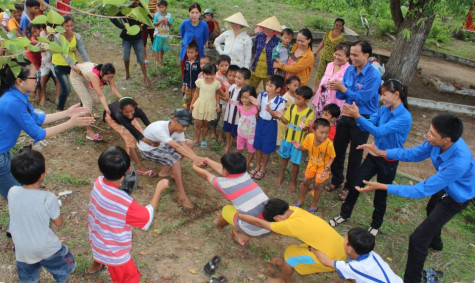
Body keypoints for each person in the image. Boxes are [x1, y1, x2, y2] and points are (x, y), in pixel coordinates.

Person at [355, 114, 474, 283]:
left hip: (457, 196)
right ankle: (437, 243)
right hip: (445, 185)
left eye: (432, 134)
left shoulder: (458, 162)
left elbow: (420, 190)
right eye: (429, 130)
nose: (428, 135)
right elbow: (414, 154)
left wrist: (383, 186)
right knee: (431, 209)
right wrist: (382, 152)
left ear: (446, 140)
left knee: (418, 240)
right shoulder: (437, 142)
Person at [0, 59, 93, 200]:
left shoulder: (18, 94)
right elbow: (38, 133)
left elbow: (36, 118)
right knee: (18, 198)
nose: (37, 79)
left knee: (18, 189)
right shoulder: (12, 101)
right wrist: (70, 123)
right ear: (20, 81)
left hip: (4, 151)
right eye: (34, 76)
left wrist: (66, 113)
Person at [329, 79, 412, 236]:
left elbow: (379, 131)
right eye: (381, 95)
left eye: (385, 95)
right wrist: (357, 117)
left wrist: (358, 117)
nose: (382, 99)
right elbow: (369, 123)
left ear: (396, 94)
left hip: (389, 161)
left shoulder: (404, 117)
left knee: (380, 194)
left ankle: (375, 225)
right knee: (355, 184)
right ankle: (344, 214)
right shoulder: (383, 109)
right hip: (373, 155)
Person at [87, 146, 170, 281]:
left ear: (99, 169)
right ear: (128, 170)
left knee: (99, 250)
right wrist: (159, 190)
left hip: (96, 237)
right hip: (114, 253)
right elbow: (146, 217)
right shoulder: (124, 202)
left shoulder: (98, 182)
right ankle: (101, 263)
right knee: (130, 279)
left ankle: (96, 264)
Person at [238, 198, 346, 283]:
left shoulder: (287, 224)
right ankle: (285, 265)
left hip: (330, 258)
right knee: (294, 250)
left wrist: (240, 216)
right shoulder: (294, 209)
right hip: (340, 247)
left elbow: (259, 223)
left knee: (290, 255)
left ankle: (283, 281)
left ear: (277, 218)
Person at [9, 149, 77, 282]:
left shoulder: (12, 192)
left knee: (28, 277)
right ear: (42, 175)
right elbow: (59, 223)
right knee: (62, 268)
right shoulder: (48, 198)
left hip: (22, 250)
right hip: (47, 248)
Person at [325, 41, 381, 201]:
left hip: (363, 118)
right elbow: (343, 96)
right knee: (337, 148)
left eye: (356, 55)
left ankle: (349, 186)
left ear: (366, 55)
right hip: (347, 114)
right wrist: (338, 88)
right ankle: (336, 179)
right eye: (352, 55)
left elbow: (363, 99)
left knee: (356, 155)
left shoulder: (374, 76)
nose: (353, 58)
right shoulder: (350, 70)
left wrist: (344, 89)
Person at [192, 152, 271, 246]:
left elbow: (206, 175)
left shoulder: (223, 184)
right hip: (270, 226)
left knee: (227, 210)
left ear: (226, 170)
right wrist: (207, 160)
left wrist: (194, 164)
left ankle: (218, 224)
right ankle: (243, 237)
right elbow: (223, 171)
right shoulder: (246, 175)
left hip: (253, 230)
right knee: (248, 210)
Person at [137, 109, 206, 208]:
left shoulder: (178, 128)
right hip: (148, 149)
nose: (185, 129)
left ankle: (165, 171)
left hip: (162, 145)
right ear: (175, 120)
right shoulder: (159, 128)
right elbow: (177, 147)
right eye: (183, 126)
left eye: (186, 126)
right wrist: (194, 159)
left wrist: (196, 157)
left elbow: (184, 146)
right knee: (175, 159)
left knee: (190, 142)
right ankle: (182, 195)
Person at [312, 227, 403, 283]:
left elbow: (326, 261)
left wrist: (312, 246)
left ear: (350, 249)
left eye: (345, 240)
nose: (343, 240)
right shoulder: (372, 254)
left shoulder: (354, 267)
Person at [292, 118, 335, 212]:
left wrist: (327, 168)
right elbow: (304, 147)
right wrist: (299, 147)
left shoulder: (329, 144)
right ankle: (300, 200)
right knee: (305, 181)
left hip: (322, 167)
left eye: (327, 132)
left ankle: (314, 205)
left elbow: (332, 157)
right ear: (314, 130)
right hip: (312, 163)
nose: (324, 135)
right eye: (321, 132)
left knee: (317, 185)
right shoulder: (309, 137)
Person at [275, 86, 314, 192]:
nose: (295, 100)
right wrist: (280, 116)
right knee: (284, 159)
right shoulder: (292, 107)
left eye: (298, 99)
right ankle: (281, 176)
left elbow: (308, 130)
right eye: (295, 97)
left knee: (295, 163)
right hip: (287, 139)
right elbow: (286, 121)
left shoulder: (309, 113)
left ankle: (293, 182)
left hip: (298, 143)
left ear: (306, 100)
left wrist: (306, 127)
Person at [104, 97, 156, 177]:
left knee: (142, 132)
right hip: (114, 119)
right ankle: (140, 166)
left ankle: (138, 153)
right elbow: (131, 129)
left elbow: (148, 124)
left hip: (126, 119)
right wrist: (146, 140)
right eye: (126, 112)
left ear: (134, 108)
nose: (129, 113)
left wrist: (155, 135)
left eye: (131, 111)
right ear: (121, 110)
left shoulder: (137, 111)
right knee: (129, 139)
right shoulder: (120, 115)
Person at [70, 62, 122, 140]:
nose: (110, 79)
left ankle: (80, 111)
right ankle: (89, 132)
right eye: (108, 78)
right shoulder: (94, 76)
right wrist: (107, 109)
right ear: (101, 73)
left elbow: (114, 89)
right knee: (88, 103)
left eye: (111, 77)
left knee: (95, 100)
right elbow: (101, 95)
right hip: (77, 77)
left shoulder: (108, 73)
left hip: (85, 77)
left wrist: (124, 99)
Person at [249, 75, 286, 180]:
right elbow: (260, 109)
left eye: (271, 86)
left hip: (270, 125)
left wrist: (270, 110)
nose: (268, 87)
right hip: (260, 122)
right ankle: (257, 165)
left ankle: (263, 167)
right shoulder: (262, 95)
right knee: (258, 144)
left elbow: (277, 116)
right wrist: (256, 104)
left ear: (278, 89)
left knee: (266, 147)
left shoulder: (280, 101)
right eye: (267, 84)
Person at [53, 15, 91, 111]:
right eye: (67, 26)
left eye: (71, 25)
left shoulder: (77, 36)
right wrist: (73, 67)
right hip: (59, 64)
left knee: (83, 85)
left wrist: (91, 65)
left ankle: (84, 109)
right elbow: (64, 53)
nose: (70, 28)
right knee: (66, 88)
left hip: (73, 64)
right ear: (61, 26)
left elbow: (83, 52)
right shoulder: (58, 37)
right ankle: (59, 109)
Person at [110, 0, 151, 86]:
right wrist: (122, 26)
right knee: (126, 57)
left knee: (141, 57)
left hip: (138, 37)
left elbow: (148, 19)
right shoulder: (125, 8)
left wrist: (144, 27)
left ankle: (145, 77)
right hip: (126, 37)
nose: (137, 2)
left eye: (138, 1)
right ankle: (127, 74)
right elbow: (112, 17)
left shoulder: (141, 8)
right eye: (135, 1)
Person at [312, 43, 350, 118]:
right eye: (336, 54)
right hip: (322, 100)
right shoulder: (330, 65)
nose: (336, 57)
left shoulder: (349, 70)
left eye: (340, 55)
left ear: (347, 57)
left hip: (336, 104)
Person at [191, 63, 224, 148]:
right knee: (198, 124)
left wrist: (217, 105)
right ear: (203, 73)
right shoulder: (199, 82)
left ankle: (203, 140)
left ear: (215, 74)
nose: (209, 77)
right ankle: (196, 139)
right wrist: (192, 103)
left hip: (210, 106)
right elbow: (196, 93)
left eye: (211, 75)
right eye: (207, 74)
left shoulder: (216, 84)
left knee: (206, 124)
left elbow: (217, 95)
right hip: (200, 104)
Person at [312, 18, 346, 93]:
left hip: (333, 59)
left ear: (342, 27)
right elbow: (322, 43)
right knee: (319, 72)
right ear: (334, 24)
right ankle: (314, 89)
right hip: (323, 56)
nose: (338, 26)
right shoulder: (328, 33)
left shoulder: (342, 39)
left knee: (330, 75)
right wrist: (316, 52)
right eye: (336, 24)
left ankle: (326, 90)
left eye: (340, 25)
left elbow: (342, 50)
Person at [222, 67, 251, 153]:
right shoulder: (233, 87)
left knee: (235, 132)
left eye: (239, 78)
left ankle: (235, 144)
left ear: (246, 80)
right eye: (236, 77)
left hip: (238, 118)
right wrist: (227, 88)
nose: (236, 79)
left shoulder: (245, 91)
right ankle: (228, 144)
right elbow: (227, 97)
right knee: (227, 130)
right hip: (229, 114)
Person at [249, 16, 281, 90]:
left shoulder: (277, 41)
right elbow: (256, 48)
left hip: (269, 69)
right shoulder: (259, 37)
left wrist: (276, 67)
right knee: (250, 88)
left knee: (268, 90)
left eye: (271, 28)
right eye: (266, 27)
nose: (268, 30)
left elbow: (278, 55)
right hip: (257, 66)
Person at [179, 3, 208, 75]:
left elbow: (205, 38)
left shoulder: (204, 25)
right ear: (189, 13)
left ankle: (196, 84)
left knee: (197, 70)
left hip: (198, 51)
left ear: (200, 13)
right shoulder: (184, 23)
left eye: (196, 12)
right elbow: (182, 35)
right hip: (187, 50)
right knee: (186, 68)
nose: (194, 15)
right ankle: (185, 83)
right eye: (192, 12)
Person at [210, 54, 231, 141]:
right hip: (219, 100)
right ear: (217, 66)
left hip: (228, 101)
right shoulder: (216, 76)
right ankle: (213, 131)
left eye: (226, 65)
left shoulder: (231, 75)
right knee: (215, 117)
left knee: (224, 118)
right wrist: (224, 98)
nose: (224, 68)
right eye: (221, 66)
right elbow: (215, 91)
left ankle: (221, 134)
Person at [236, 85, 258, 169]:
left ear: (252, 97)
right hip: (241, 132)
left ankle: (247, 164)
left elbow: (256, 119)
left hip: (251, 135)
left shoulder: (255, 109)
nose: (244, 99)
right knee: (239, 149)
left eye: (247, 98)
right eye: (242, 97)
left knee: (251, 150)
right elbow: (240, 116)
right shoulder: (240, 106)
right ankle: (237, 162)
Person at [276, 76, 300, 150]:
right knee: (280, 134)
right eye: (295, 85)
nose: (297, 87)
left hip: (290, 120)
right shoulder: (285, 97)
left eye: (298, 86)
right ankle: (277, 148)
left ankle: (283, 146)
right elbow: (281, 107)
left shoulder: (296, 96)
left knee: (286, 133)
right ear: (288, 85)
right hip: (283, 120)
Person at [152, 0, 172, 64]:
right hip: (158, 34)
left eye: (163, 7)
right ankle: (156, 61)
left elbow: (170, 25)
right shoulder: (157, 15)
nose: (161, 9)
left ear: (166, 7)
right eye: (160, 7)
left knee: (163, 48)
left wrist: (167, 22)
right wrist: (161, 21)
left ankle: (161, 59)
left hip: (165, 35)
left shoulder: (169, 15)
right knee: (157, 48)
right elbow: (154, 24)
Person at [182, 42, 201, 109]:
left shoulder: (198, 63)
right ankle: (187, 112)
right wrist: (184, 84)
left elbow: (201, 75)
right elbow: (185, 74)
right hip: (188, 86)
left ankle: (194, 114)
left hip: (196, 86)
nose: (189, 54)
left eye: (191, 52)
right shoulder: (187, 62)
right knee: (187, 99)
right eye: (188, 52)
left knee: (195, 100)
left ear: (196, 53)